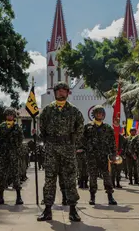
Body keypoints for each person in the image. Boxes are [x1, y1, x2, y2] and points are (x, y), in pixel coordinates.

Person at [37, 82, 84, 222]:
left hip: (68, 149)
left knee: (70, 179)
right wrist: (48, 141)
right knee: (50, 179)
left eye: (64, 91)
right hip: (51, 149)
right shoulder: (47, 110)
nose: (61, 93)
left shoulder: (74, 111)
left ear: (67, 93)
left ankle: (73, 210)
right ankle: (47, 210)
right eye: (59, 91)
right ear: (55, 93)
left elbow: (80, 128)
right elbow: (42, 128)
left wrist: (71, 141)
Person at [84, 105, 117, 206]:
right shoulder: (87, 127)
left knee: (107, 177)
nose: (99, 115)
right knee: (92, 177)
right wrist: (85, 149)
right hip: (92, 157)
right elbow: (82, 140)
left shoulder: (108, 128)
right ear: (94, 114)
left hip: (104, 157)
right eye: (97, 113)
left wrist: (113, 154)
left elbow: (112, 142)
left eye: (101, 113)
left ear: (103, 115)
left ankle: (110, 197)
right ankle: (92, 197)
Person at [0, 108, 24, 205]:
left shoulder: (17, 127)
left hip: (13, 154)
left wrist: (17, 151)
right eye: (8, 114)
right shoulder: (1, 127)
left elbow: (20, 141)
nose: (9, 116)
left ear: (14, 116)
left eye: (11, 115)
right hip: (3, 154)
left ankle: (19, 197)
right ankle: (0, 197)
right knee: (2, 175)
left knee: (15, 174)